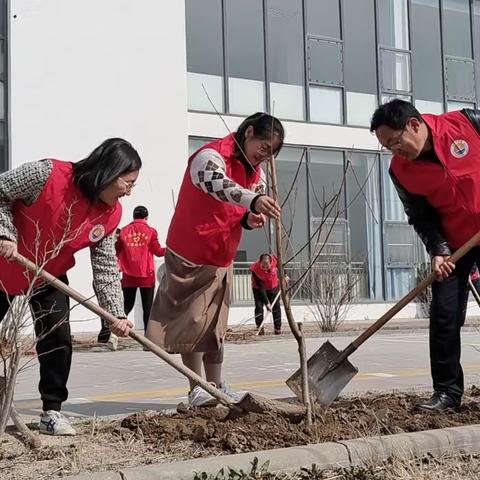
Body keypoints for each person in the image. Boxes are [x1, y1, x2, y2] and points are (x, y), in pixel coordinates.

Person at [0, 138, 139, 435]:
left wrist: (114, 314)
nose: (129, 192)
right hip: (3, 264)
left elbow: (105, 269)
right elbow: (0, 191)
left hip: (48, 275)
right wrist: (4, 233)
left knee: (58, 339)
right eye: (128, 183)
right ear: (108, 172)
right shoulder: (46, 175)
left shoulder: (110, 214)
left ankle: (52, 411)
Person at [147, 112, 284, 407]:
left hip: (221, 255)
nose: (265, 155)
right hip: (191, 252)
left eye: (271, 152)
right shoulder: (210, 156)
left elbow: (242, 209)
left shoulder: (253, 171)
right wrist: (252, 200)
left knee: (215, 327)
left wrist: (250, 218)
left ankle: (216, 384)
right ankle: (196, 387)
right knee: (193, 322)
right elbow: (216, 184)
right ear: (248, 133)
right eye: (264, 146)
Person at [370, 99, 480, 412]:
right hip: (455, 244)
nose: (395, 152)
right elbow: (420, 216)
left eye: (395, 142)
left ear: (415, 125)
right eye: (387, 147)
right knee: (444, 315)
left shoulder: (467, 123)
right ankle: (446, 392)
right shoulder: (400, 170)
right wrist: (438, 250)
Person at [116, 205, 165, 330]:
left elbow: (116, 251)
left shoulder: (123, 231)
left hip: (128, 275)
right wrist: (172, 250)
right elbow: (158, 251)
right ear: (146, 217)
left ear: (133, 216)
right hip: (146, 275)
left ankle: (113, 333)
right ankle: (147, 340)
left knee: (126, 306)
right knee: (147, 308)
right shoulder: (151, 231)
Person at [250, 253, 281, 334]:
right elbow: (261, 287)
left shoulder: (275, 260)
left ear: (270, 262)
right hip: (258, 289)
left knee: (276, 307)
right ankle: (260, 328)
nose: (265, 269)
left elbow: (281, 267)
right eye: (263, 266)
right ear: (260, 262)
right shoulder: (255, 269)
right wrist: (267, 303)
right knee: (259, 307)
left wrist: (285, 275)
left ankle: (277, 328)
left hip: (273, 286)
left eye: (267, 266)